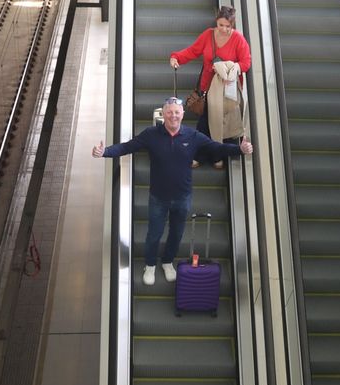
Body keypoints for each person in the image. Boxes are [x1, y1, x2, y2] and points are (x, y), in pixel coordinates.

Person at [93, 97, 254, 286]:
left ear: (183, 115)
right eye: (169, 112)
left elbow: (216, 147)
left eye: (177, 112)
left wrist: (240, 149)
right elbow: (127, 147)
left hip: (182, 198)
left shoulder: (192, 136)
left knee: (176, 233)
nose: (173, 116)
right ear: (164, 114)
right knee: (154, 233)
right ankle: (150, 265)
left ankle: (168, 262)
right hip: (158, 198)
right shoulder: (151, 135)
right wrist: (104, 152)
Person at [169, 5, 252, 170]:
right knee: (205, 123)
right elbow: (193, 51)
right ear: (216, 22)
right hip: (207, 88)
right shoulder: (208, 35)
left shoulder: (238, 40)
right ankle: (210, 156)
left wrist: (232, 68)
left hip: (226, 91)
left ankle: (212, 156)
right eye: (221, 25)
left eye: (228, 26)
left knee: (219, 123)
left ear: (233, 25)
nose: (224, 29)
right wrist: (176, 57)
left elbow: (246, 62)